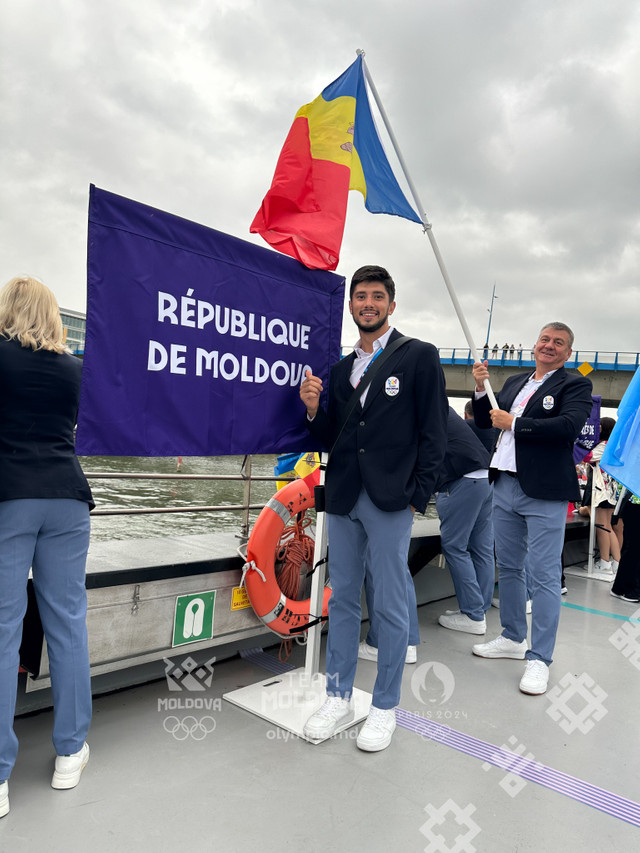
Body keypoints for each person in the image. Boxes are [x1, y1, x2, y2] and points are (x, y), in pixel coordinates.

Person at [299, 265, 448, 751]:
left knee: (387, 600)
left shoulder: (419, 357)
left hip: (389, 500)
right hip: (343, 497)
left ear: (391, 304)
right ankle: (338, 694)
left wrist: (415, 497)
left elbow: (434, 434)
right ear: (351, 305)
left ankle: (385, 707)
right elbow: (332, 440)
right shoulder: (342, 370)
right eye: (360, 296)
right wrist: (311, 408)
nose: (368, 303)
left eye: (377, 296)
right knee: (341, 597)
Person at [0, 276, 94, 819]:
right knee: (66, 624)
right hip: (67, 499)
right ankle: (69, 753)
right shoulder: (75, 370)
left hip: (10, 497)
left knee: (3, 630)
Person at [470, 322, 592, 695]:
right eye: (544, 340)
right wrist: (479, 389)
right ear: (534, 345)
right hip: (505, 483)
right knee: (508, 566)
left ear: (568, 353)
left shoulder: (575, 385)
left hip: (544, 491)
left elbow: (567, 427)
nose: (549, 346)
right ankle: (511, 636)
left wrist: (517, 423)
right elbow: (486, 422)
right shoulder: (514, 382)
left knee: (543, 574)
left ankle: (539, 658)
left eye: (558, 343)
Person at [436, 409, 494, 634]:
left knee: (454, 546)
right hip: (484, 478)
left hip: (463, 481)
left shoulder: (421, 411)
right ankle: (480, 607)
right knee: (481, 548)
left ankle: (473, 614)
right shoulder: (444, 410)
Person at [581, 417, 621, 574]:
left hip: (600, 490)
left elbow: (587, 457)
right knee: (608, 526)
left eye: (599, 427)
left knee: (601, 527)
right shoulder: (614, 446)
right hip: (609, 491)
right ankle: (616, 563)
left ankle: (605, 563)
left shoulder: (604, 446)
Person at [610, 492, 640, 602]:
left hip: (633, 502)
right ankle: (628, 587)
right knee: (633, 548)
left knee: (632, 548)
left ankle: (624, 587)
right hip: (634, 503)